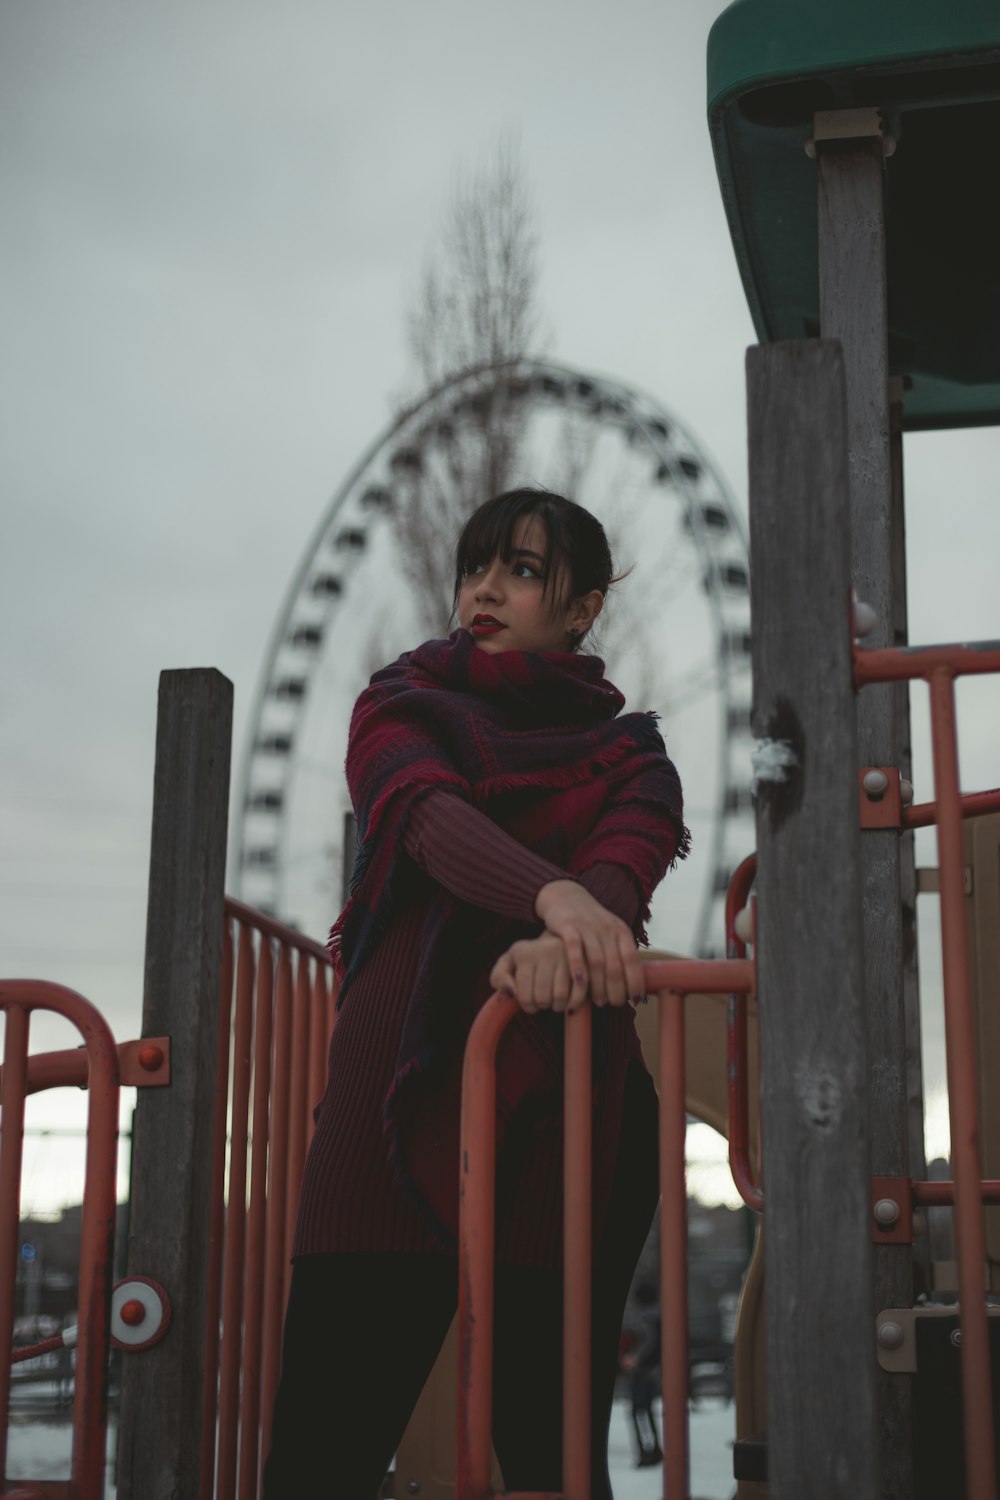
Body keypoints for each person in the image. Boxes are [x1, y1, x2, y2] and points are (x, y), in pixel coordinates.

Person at [263, 486, 688, 1500]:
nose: (486, 589)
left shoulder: (638, 758)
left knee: (552, 1462)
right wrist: (554, 905)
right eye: (476, 567)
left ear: (581, 606)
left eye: (524, 570)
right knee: (323, 1451)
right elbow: (428, 822)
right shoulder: (395, 707)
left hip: (571, 1117)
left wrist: (570, 931)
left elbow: (621, 873)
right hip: (393, 1099)